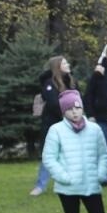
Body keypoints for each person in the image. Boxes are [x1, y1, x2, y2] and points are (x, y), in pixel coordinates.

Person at [31, 55, 77, 195]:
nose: (68, 64)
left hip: (72, 122)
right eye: (64, 63)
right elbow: (53, 103)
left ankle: (71, 182)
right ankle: (40, 185)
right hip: (53, 124)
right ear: (57, 66)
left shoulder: (71, 81)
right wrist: (68, 114)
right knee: (49, 155)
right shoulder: (49, 83)